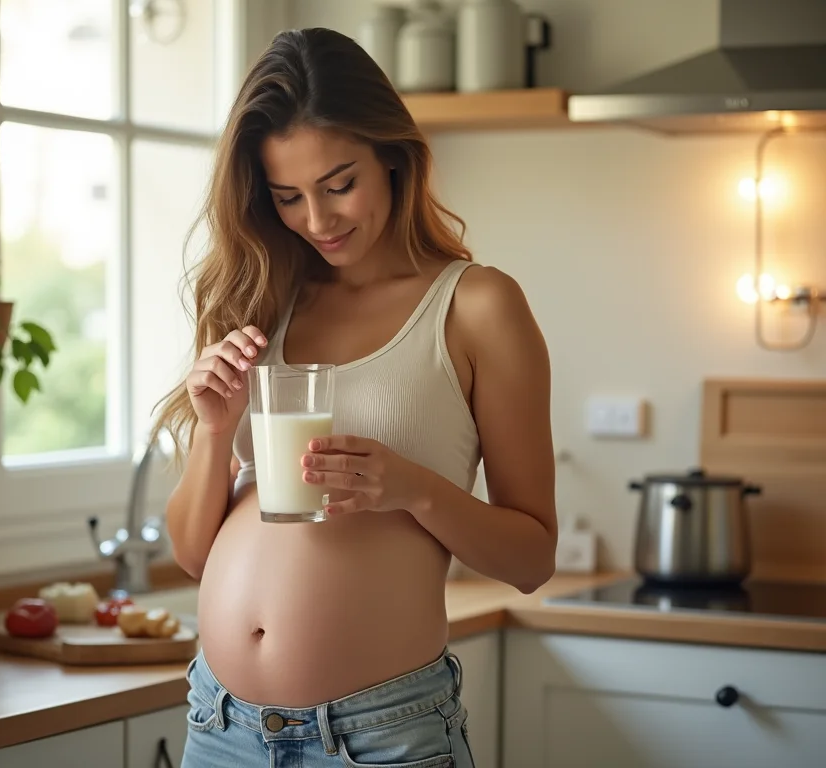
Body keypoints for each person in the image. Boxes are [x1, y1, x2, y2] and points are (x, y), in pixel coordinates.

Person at [152, 26, 557, 768]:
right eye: (288, 197)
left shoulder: (476, 307)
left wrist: (411, 489)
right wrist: (215, 431)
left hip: (380, 738)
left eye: (340, 184)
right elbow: (191, 554)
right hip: (221, 726)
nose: (317, 219)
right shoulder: (262, 297)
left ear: (394, 158)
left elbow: (533, 556)